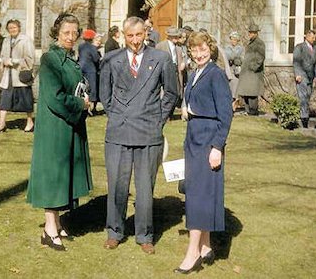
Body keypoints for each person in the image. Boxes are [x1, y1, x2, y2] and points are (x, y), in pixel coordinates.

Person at [100, 16, 178, 254]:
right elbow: (105, 95)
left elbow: (172, 94)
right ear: (124, 36)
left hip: (148, 131)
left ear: (146, 34)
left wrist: (157, 120)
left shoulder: (161, 58)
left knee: (145, 188)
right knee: (117, 185)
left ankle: (145, 235)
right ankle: (115, 231)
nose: (134, 41)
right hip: (119, 131)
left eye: (139, 35)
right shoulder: (111, 60)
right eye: (130, 36)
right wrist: (117, 115)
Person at [26, 12, 93, 251]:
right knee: (53, 177)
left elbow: (75, 86)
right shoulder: (50, 60)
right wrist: (81, 105)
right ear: (56, 33)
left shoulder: (69, 58)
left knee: (64, 175)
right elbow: (54, 98)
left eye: (74, 33)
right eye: (66, 32)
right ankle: (49, 229)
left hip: (68, 125)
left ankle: (55, 223)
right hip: (55, 127)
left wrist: (85, 96)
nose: (71, 37)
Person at [176, 31, 232, 274]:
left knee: (198, 196)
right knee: (197, 191)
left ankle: (192, 254)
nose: (198, 54)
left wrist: (217, 147)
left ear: (211, 49)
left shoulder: (216, 74)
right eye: (194, 50)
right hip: (194, 136)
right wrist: (188, 107)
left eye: (203, 49)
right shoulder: (195, 72)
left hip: (208, 139)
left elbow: (226, 114)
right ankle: (206, 246)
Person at [0, 19, 35, 132]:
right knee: (4, 99)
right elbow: (3, 55)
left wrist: (13, 61)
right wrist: (3, 61)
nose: (12, 29)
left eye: (14, 27)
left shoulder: (26, 40)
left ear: (19, 28)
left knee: (26, 100)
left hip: (20, 76)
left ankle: (30, 122)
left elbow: (30, 59)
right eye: (10, 28)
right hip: (8, 76)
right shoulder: (6, 40)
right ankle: (1, 123)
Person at [236, 23, 266, 116]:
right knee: (246, 92)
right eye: (249, 32)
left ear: (256, 33)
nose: (250, 34)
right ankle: (248, 110)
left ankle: (253, 111)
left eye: (252, 32)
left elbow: (261, 57)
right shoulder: (250, 43)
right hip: (247, 72)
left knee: (252, 93)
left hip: (254, 73)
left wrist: (253, 67)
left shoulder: (259, 43)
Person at [293, 30, 316, 128]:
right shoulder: (299, 47)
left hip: (310, 77)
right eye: (313, 37)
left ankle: (304, 114)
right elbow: (296, 62)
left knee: (307, 97)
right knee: (303, 97)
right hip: (302, 76)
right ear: (307, 37)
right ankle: (304, 118)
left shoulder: (315, 48)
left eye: (314, 37)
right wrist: (297, 74)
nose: (314, 39)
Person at [156, 26, 186, 108]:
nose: (177, 38)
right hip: (165, 73)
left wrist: (183, 63)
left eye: (177, 36)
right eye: (175, 36)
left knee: (176, 92)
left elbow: (183, 59)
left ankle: (170, 111)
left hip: (176, 72)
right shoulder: (160, 46)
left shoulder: (179, 48)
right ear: (169, 36)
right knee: (166, 93)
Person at [78, 29, 101, 115]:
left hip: (81, 69)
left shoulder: (80, 46)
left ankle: (83, 107)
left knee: (83, 89)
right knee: (92, 89)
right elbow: (96, 59)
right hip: (90, 70)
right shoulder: (92, 47)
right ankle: (91, 109)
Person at [224, 31, 245, 112]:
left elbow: (242, 58)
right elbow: (227, 56)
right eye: (232, 39)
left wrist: (238, 59)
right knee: (229, 88)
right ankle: (229, 105)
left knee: (235, 88)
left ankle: (234, 104)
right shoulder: (227, 48)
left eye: (235, 39)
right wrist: (234, 57)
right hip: (229, 70)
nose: (233, 41)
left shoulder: (241, 48)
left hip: (237, 71)